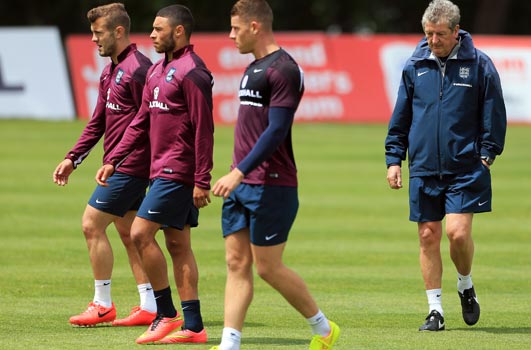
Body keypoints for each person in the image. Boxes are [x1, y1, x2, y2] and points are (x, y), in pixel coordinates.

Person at [210, 1, 340, 350]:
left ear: (255, 26)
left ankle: (325, 329)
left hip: (271, 183)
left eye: (236, 28)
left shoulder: (284, 69)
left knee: (267, 268)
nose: (230, 35)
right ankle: (229, 343)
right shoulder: (253, 67)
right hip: (242, 183)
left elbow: (276, 130)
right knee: (236, 262)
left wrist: (238, 172)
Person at [95, 4, 214, 345]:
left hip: (179, 171)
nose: (151, 34)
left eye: (158, 29)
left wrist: (202, 179)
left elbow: (204, 130)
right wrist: (114, 159)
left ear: (179, 32)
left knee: (140, 233)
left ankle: (165, 313)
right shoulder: (157, 70)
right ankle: (193, 326)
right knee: (178, 245)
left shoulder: (193, 72)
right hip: (159, 169)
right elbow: (141, 121)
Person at [384, 0, 507, 332]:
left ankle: (465, 284)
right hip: (423, 166)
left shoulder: (480, 65)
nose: (433, 41)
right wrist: (394, 158)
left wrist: (487, 153)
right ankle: (435, 311)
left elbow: (494, 112)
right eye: (428, 34)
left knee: (457, 233)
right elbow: (402, 116)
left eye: (439, 34)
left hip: (466, 166)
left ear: (456, 32)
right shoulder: (414, 65)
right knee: (427, 235)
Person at [53, 2, 157, 328]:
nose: (94, 40)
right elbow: (98, 121)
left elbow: (152, 120)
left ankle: (102, 304)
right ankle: (149, 305)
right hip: (118, 164)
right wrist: (73, 157)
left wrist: (124, 161)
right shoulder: (111, 68)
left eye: (98, 34)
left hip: (131, 166)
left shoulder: (140, 69)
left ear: (119, 31)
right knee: (130, 233)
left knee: (91, 224)